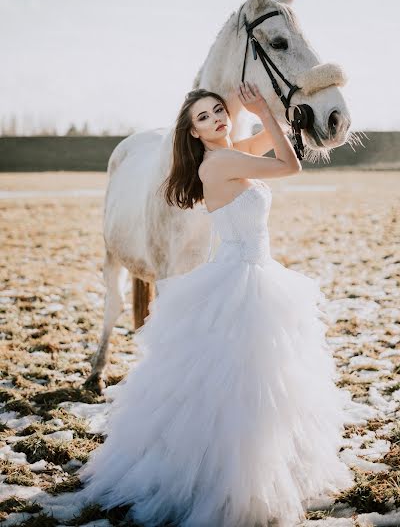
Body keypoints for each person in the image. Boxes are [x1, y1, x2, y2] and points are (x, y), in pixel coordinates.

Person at [76, 83, 354, 527]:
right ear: (195, 133)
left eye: (219, 110)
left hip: (250, 269)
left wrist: (280, 111)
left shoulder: (230, 151)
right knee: (242, 383)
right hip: (243, 277)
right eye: (203, 118)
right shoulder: (220, 161)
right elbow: (288, 165)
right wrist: (263, 112)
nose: (216, 119)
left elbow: (271, 135)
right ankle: (227, 478)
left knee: (252, 382)